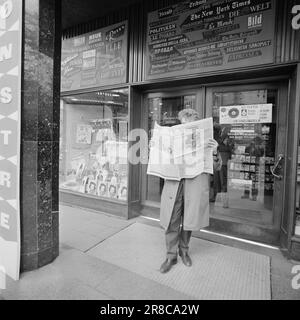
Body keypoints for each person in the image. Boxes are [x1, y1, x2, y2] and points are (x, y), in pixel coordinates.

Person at [159, 109, 218, 274]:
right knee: (172, 219)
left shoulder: (207, 140)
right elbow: (161, 161)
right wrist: (157, 148)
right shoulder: (173, 138)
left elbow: (217, 167)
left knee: (189, 220)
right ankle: (171, 256)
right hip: (174, 184)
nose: (186, 127)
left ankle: (183, 251)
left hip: (194, 184)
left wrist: (214, 152)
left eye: (189, 124)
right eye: (183, 124)